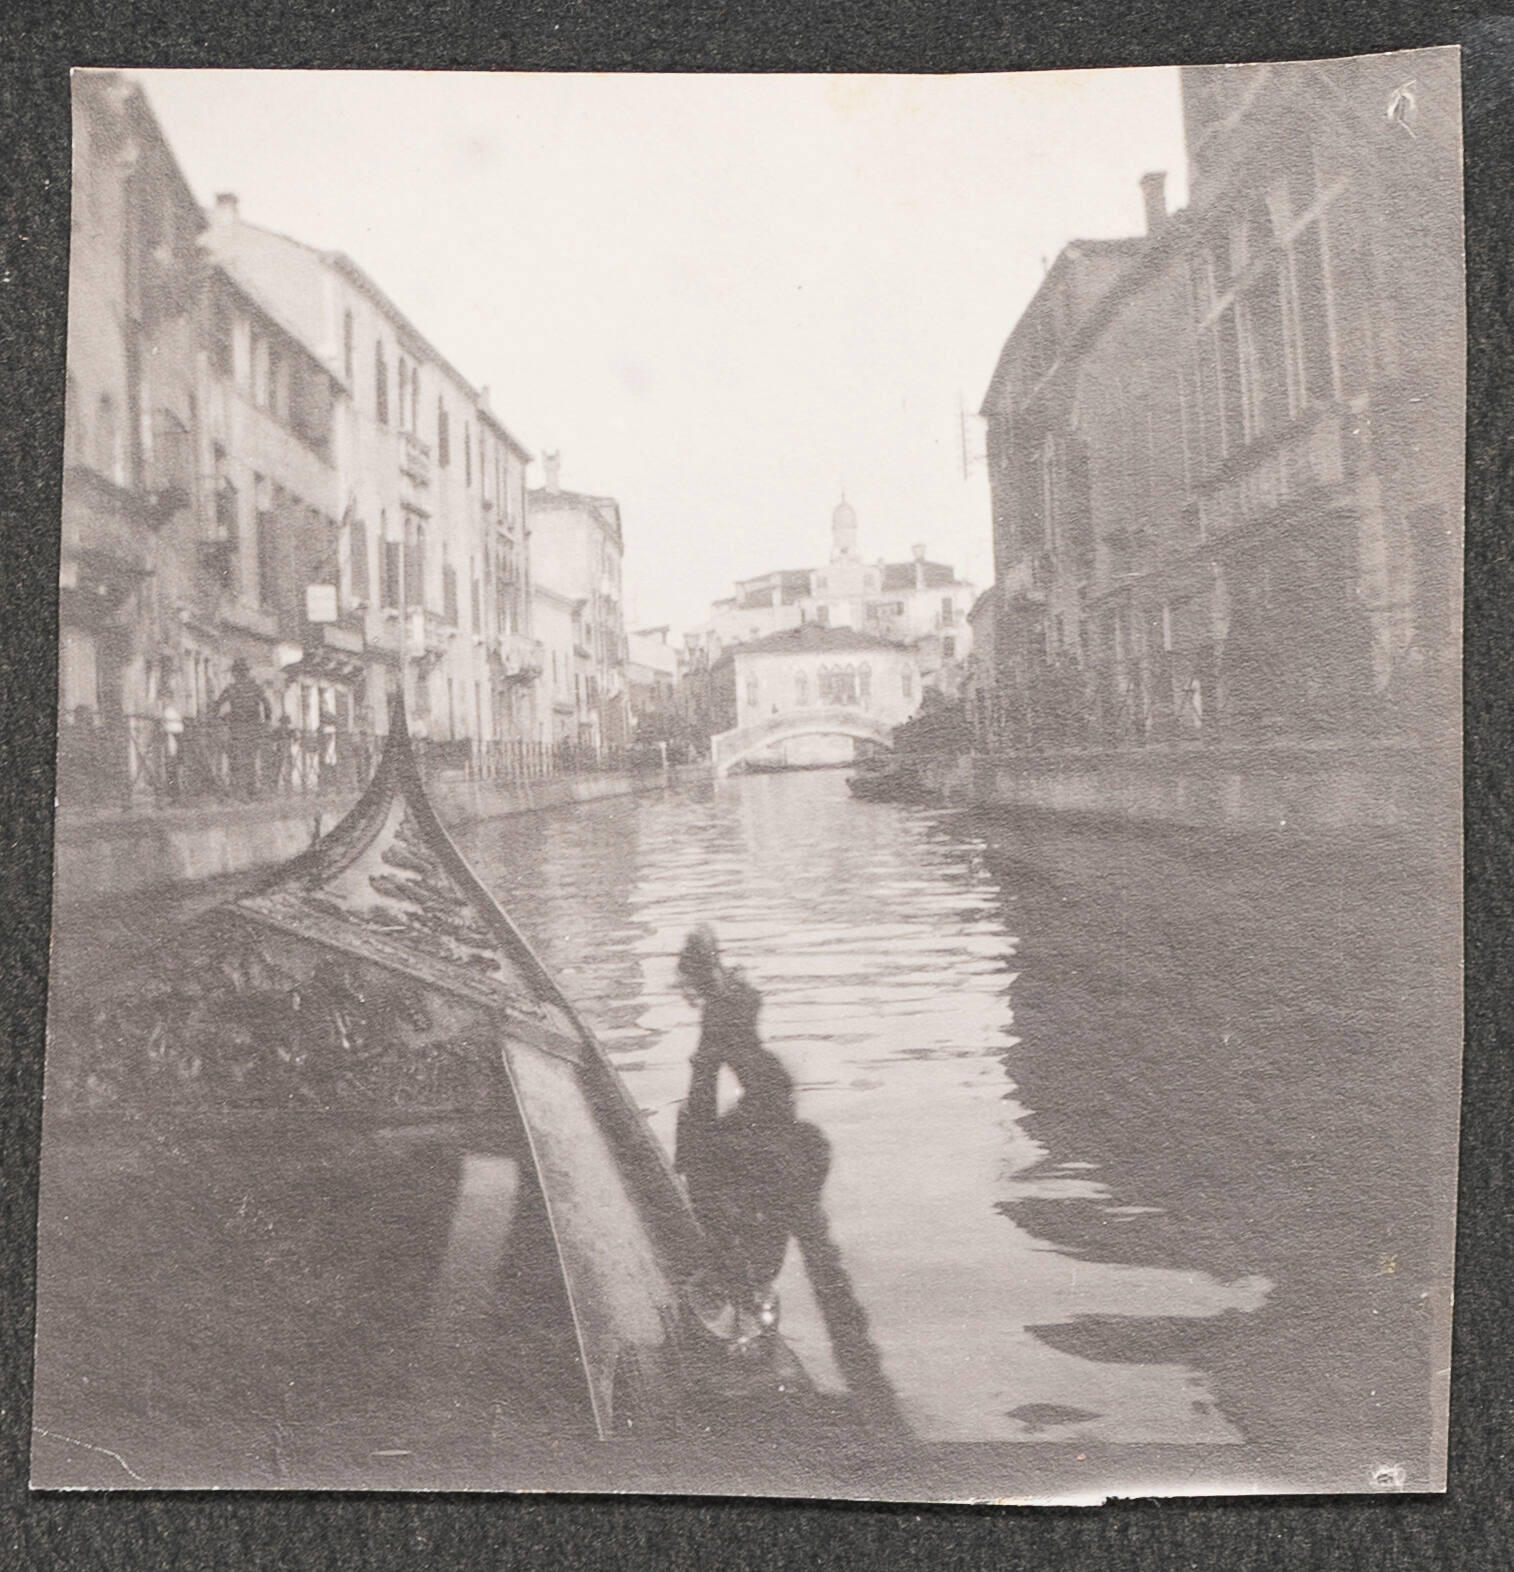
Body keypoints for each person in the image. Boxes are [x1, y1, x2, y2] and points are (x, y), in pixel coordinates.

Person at [217, 658, 270, 800]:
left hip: (238, 728)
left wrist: (222, 719)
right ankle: (250, 790)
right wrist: (266, 723)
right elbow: (267, 705)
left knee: (238, 759)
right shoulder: (255, 688)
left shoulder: (231, 689)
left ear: (236, 673)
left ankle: (241, 791)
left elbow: (217, 705)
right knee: (250, 759)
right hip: (252, 728)